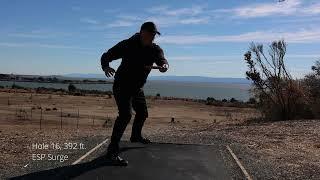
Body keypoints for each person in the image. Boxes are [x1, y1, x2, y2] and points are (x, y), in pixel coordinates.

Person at [100, 21, 169, 166]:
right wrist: (106, 67)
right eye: (151, 34)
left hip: (137, 88)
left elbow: (162, 60)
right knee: (125, 115)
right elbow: (106, 55)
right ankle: (112, 152)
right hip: (122, 85)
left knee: (143, 113)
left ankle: (135, 136)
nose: (153, 37)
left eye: (154, 35)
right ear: (142, 32)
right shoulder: (127, 44)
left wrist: (164, 66)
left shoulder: (154, 49)